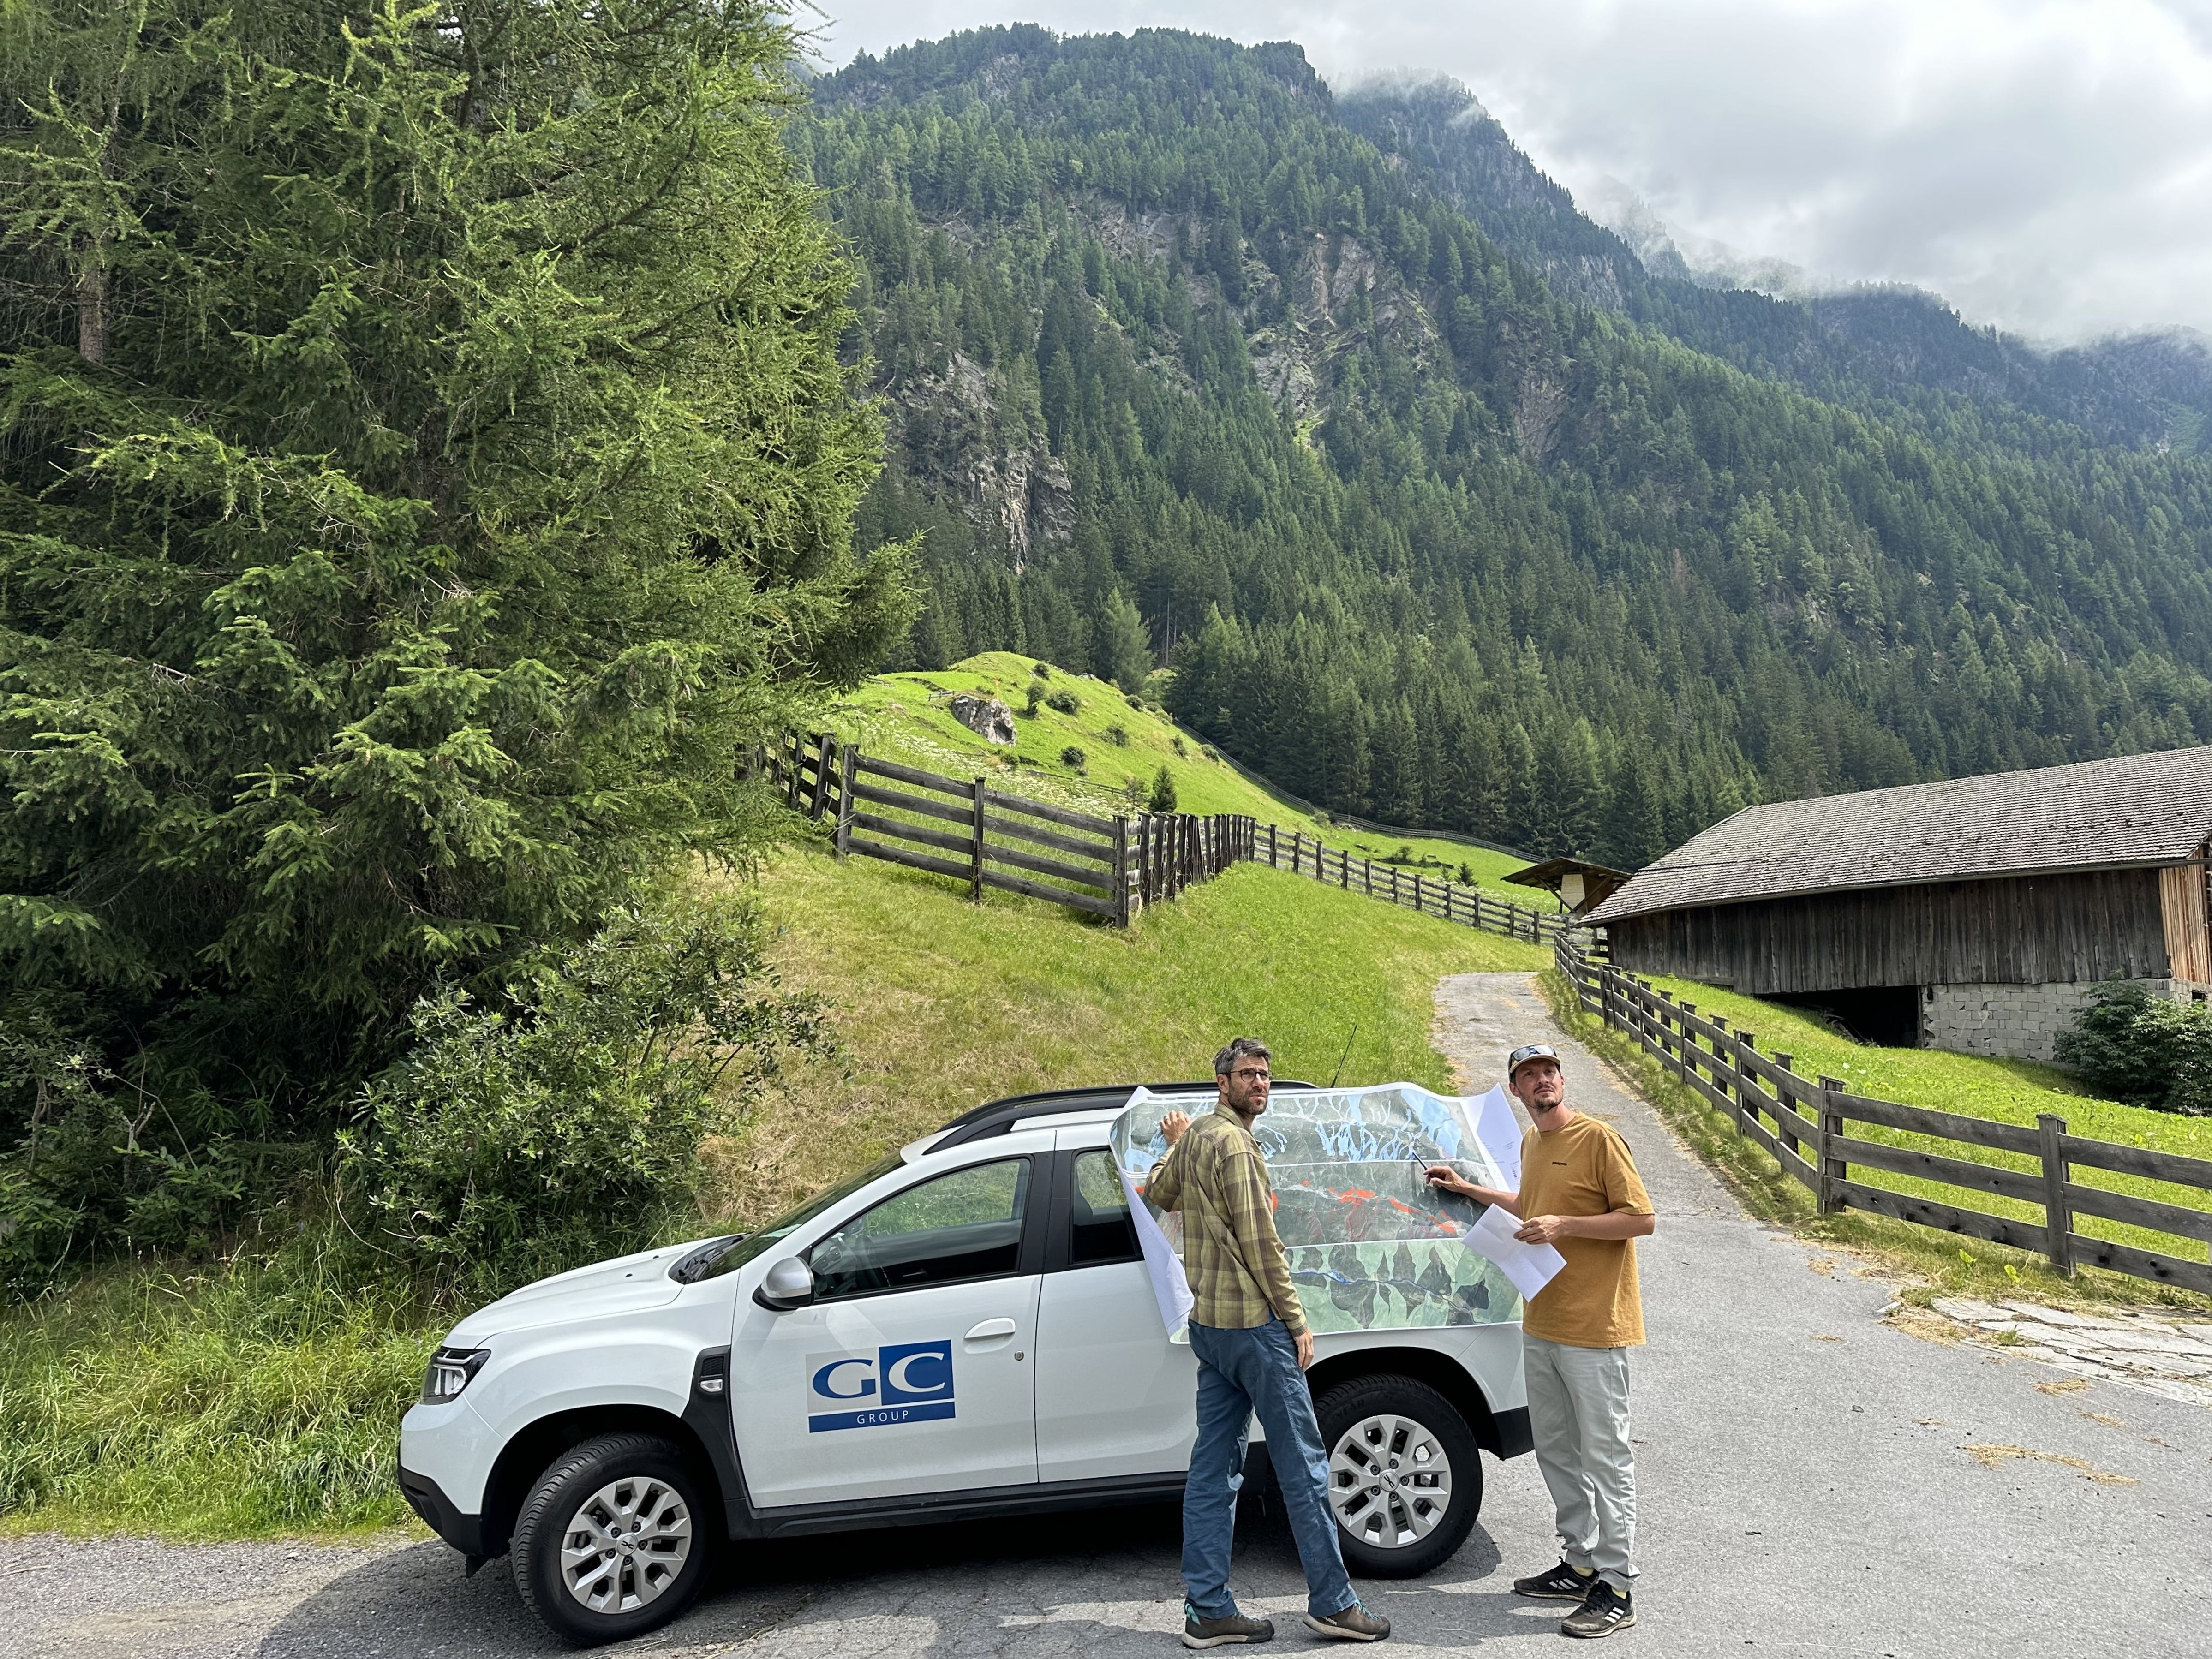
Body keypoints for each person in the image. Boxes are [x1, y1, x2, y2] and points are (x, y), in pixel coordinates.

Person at [1148, 1038, 1391, 1649]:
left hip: (1210, 1328)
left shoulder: (1199, 1135)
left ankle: (1207, 1610)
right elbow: (1263, 1247)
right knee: (1305, 1467)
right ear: (1221, 1082)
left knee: (1213, 1470)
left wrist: (1173, 1144)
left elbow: (1159, 1192)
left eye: (1264, 1075)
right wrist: (1297, 1321)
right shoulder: (1235, 1146)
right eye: (1247, 1075)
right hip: (1255, 1330)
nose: (1259, 1084)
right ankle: (1333, 1605)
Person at [1426, 1041, 1656, 1641]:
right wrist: (1470, 1189)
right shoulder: (1533, 1144)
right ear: (1516, 1091)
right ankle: (1579, 1563)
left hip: (1595, 1329)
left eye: (1548, 1071)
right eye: (1528, 1075)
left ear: (1560, 1079)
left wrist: (1566, 1226)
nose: (1541, 1082)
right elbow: (1530, 1207)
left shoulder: (1598, 1139)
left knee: (1605, 1456)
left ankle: (1617, 1585)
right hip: (1542, 1324)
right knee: (1555, 1450)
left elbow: (1641, 1219)